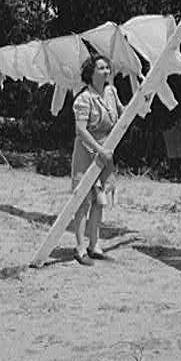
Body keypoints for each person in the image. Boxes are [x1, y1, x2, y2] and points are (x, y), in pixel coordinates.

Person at [71, 53, 124, 265]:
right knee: (83, 201)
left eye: (107, 68)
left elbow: (121, 113)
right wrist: (98, 150)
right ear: (91, 73)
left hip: (106, 152)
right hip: (87, 152)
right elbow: (81, 130)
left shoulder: (112, 92)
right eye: (101, 68)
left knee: (100, 201)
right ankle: (80, 248)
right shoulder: (83, 99)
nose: (106, 72)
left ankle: (94, 245)